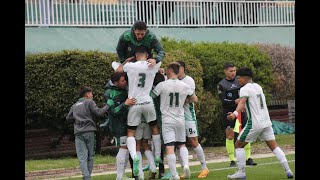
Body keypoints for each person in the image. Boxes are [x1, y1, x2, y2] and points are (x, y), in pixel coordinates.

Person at [226, 67, 294, 179]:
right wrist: (242, 104)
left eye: (239, 78)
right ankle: (288, 171)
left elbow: (242, 103)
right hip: (266, 122)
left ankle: (241, 173)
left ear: (244, 78)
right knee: (274, 147)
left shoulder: (244, 89)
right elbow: (250, 101)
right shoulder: (258, 86)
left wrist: (234, 114)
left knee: (238, 145)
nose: (238, 80)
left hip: (255, 123)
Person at [116, 45, 163, 178]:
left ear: (136, 55)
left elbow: (118, 70)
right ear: (147, 55)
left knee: (131, 133)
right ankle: (158, 156)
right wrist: (154, 61)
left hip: (134, 102)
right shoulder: (153, 65)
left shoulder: (131, 66)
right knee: (154, 128)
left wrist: (128, 60)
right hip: (148, 102)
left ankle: (135, 156)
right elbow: (161, 64)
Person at [151, 62, 198, 180]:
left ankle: (174, 175)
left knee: (170, 147)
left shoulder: (162, 85)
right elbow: (195, 99)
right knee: (182, 144)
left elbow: (151, 95)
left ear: (170, 70)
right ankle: (186, 165)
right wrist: (187, 99)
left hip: (167, 120)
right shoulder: (184, 86)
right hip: (180, 119)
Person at [217, 63, 257, 167]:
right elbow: (223, 100)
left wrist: (242, 105)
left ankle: (248, 158)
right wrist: (235, 101)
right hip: (228, 112)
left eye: (234, 71)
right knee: (230, 135)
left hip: (241, 111)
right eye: (231, 71)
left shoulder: (240, 81)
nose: (233, 73)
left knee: (245, 133)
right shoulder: (221, 84)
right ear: (225, 71)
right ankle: (232, 160)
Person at [66, 86, 109, 180]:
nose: (92, 95)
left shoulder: (75, 105)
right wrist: (108, 105)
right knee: (90, 156)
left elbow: (68, 118)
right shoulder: (89, 102)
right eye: (91, 93)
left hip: (78, 132)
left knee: (82, 157)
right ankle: (87, 177)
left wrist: (78, 118)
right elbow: (99, 112)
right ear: (87, 94)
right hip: (89, 131)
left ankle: (86, 177)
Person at [175, 60, 209, 178]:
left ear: (183, 69)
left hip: (188, 115)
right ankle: (184, 169)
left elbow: (188, 99)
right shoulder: (170, 80)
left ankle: (204, 167)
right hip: (175, 117)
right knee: (179, 143)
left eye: (178, 67)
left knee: (193, 141)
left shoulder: (189, 80)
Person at [103, 72, 137, 180]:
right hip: (118, 126)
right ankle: (119, 176)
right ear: (115, 83)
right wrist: (125, 104)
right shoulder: (110, 93)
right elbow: (113, 111)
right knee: (123, 148)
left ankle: (121, 175)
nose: (125, 82)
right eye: (123, 80)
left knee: (126, 148)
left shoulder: (123, 90)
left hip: (126, 123)